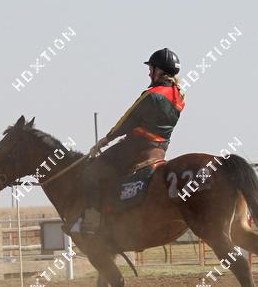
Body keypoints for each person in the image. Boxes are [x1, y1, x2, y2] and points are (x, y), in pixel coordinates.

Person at [71, 48, 186, 235]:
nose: (149, 73)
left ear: (159, 71)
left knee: (91, 172)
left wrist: (106, 139)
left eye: (151, 69)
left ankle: (91, 222)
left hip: (135, 148)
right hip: (160, 150)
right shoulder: (179, 97)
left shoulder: (152, 95)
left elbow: (128, 119)